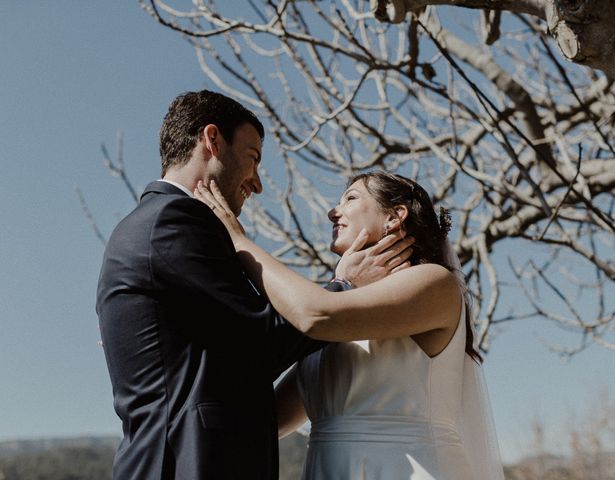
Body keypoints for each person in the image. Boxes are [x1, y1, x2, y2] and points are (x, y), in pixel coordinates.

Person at [96, 91, 413, 480]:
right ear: (212, 141)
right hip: (185, 465)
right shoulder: (172, 221)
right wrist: (344, 286)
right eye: (253, 158)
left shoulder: (161, 224)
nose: (257, 183)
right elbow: (260, 345)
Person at [195, 170, 505, 479]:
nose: (334, 212)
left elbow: (314, 315)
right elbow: (270, 419)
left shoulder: (434, 284)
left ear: (395, 216)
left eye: (351, 199)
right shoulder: (342, 310)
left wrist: (238, 241)